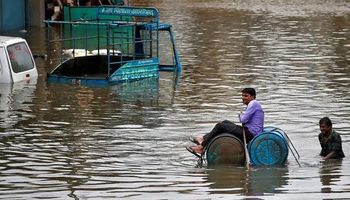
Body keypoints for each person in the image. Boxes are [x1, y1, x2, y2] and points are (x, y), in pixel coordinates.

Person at [186, 88, 264, 157]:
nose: (243, 98)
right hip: (248, 131)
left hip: (250, 134)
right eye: (242, 96)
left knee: (220, 126)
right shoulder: (254, 104)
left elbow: (243, 120)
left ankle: (201, 147)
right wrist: (242, 115)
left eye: (246, 96)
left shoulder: (253, 103)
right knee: (225, 122)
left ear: (253, 96)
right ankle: (203, 139)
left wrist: (240, 115)